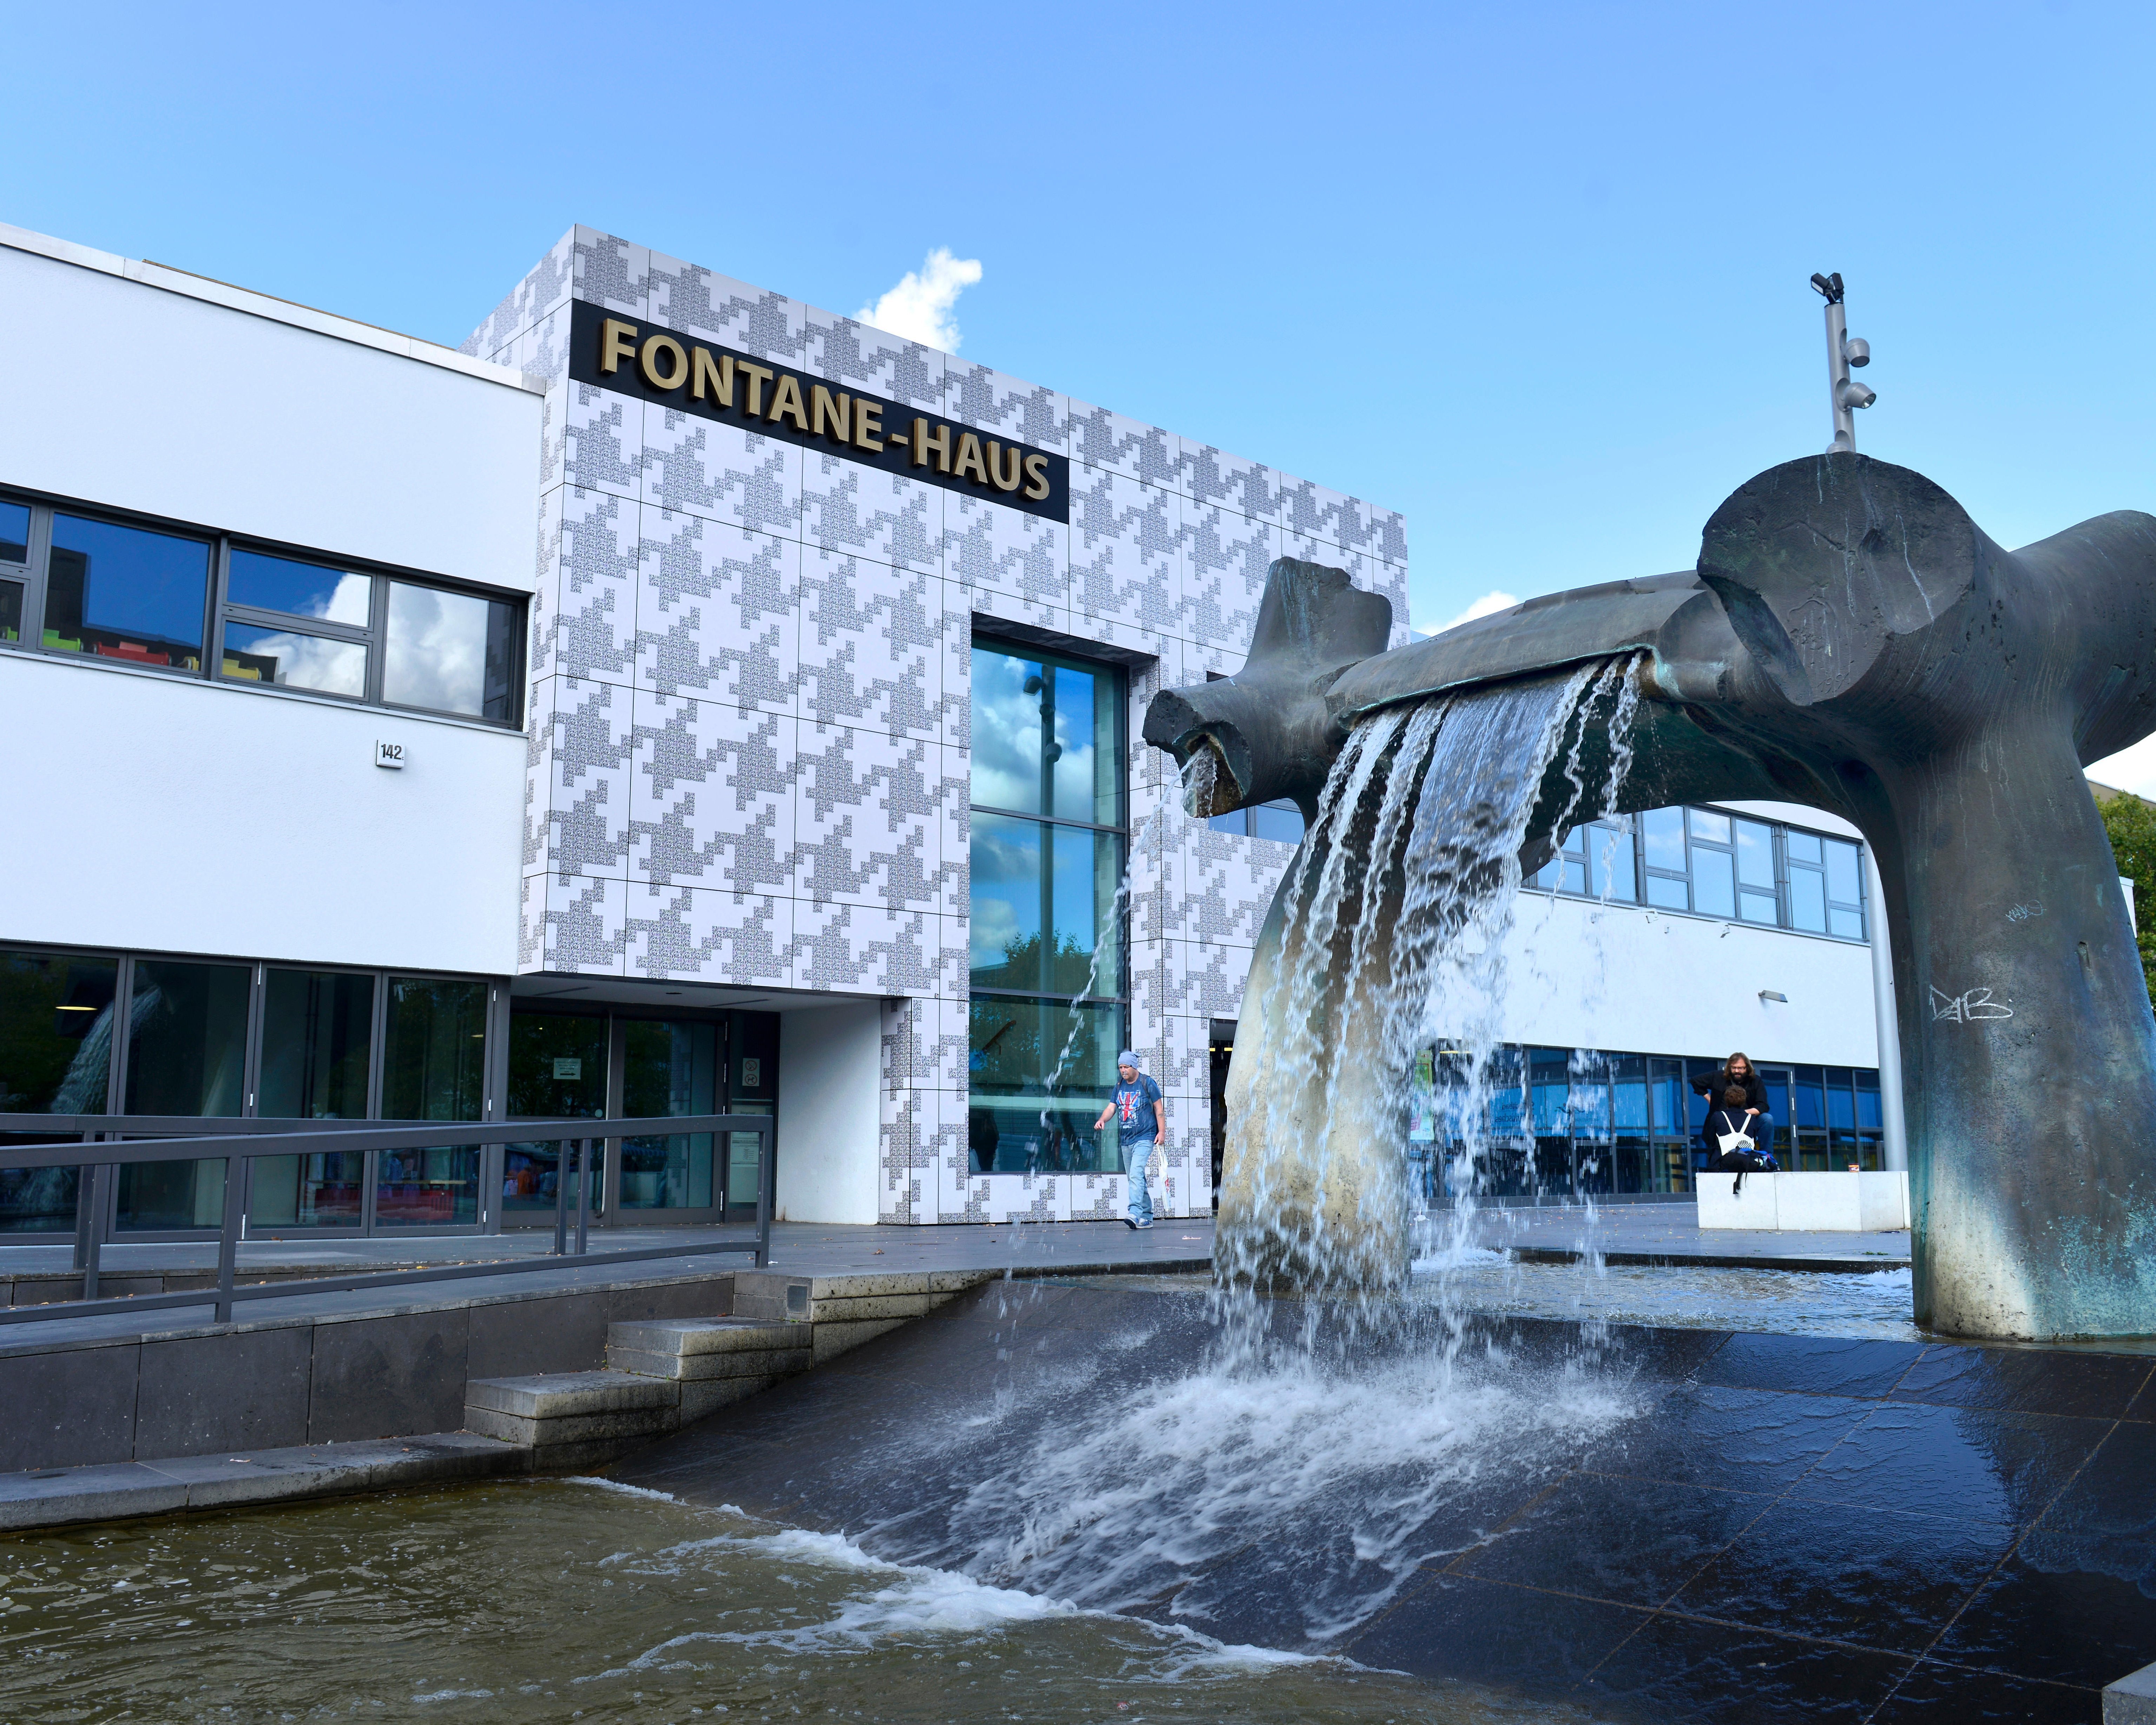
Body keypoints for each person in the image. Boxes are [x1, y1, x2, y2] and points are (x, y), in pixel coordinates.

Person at [1096, 1049, 1165, 1230]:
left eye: (1126, 1067)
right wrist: (1103, 1119)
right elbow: (1111, 1108)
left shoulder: (1147, 1083)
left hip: (1145, 1137)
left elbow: (1159, 1109)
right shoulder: (1119, 1086)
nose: (1123, 1070)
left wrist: (1162, 1132)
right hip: (1126, 1140)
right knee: (1136, 1177)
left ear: (1134, 1067)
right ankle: (1148, 1216)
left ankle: (1134, 1212)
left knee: (1135, 1174)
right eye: (1121, 1067)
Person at [1691, 1051, 1773, 1163]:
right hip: (1723, 1122)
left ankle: (1766, 1157)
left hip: (1748, 1121)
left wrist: (1743, 1115)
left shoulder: (1756, 1081)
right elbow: (1696, 1081)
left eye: (1741, 1068)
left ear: (1747, 1068)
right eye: (1734, 1068)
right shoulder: (1719, 1077)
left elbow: (1763, 1105)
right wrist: (1710, 1100)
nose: (1737, 1071)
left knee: (1767, 1119)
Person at [1703, 1083, 1778, 1191]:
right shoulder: (1751, 1119)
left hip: (1722, 1164)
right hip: (1747, 1163)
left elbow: (1710, 1140)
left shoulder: (1718, 1116)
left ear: (1726, 1101)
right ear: (1744, 1102)